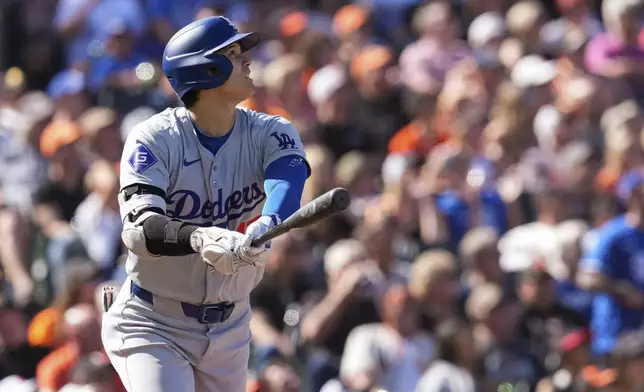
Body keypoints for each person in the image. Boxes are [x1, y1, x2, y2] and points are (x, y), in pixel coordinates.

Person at [100, 16, 309, 392]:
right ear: (205, 69)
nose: (246, 60)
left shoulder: (271, 130)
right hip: (154, 319)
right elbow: (139, 231)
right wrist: (200, 238)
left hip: (231, 326)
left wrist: (268, 221)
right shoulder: (155, 138)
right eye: (233, 53)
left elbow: (288, 177)